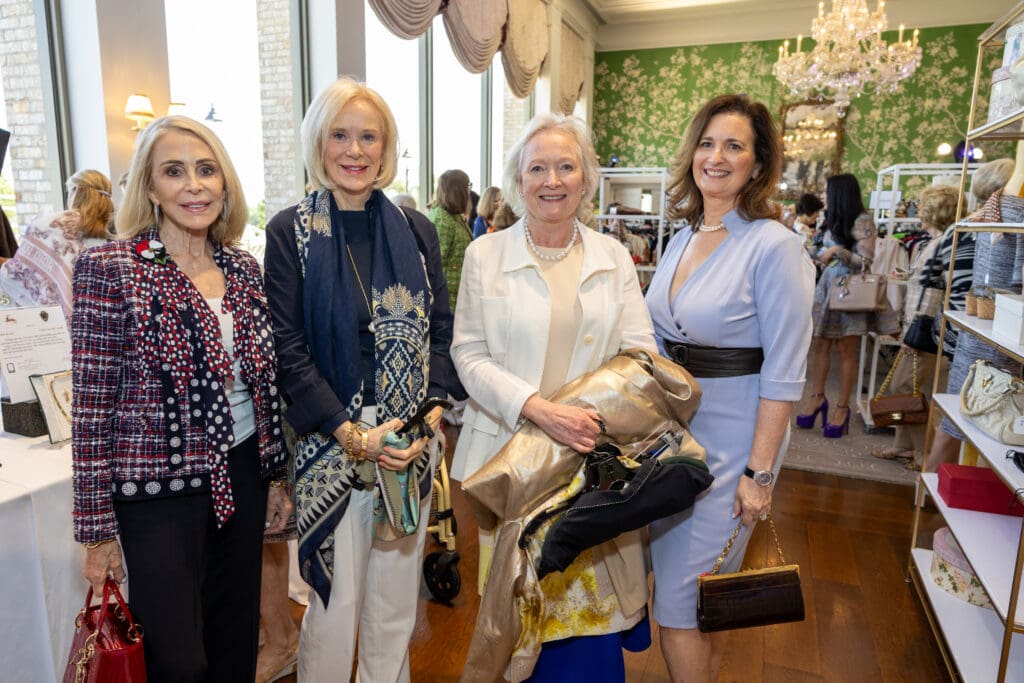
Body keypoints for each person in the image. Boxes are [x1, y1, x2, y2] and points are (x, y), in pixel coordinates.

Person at [71, 116, 291, 682]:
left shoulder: (242, 267)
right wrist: (96, 532)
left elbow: (264, 386)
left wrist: (275, 476)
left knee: (234, 637)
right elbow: (92, 412)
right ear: (149, 187)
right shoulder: (109, 268)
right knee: (176, 657)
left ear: (224, 183)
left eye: (206, 169)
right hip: (156, 492)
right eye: (174, 171)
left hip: (241, 472)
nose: (193, 185)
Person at [263, 76, 464, 682]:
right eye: (339, 135)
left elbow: (442, 329)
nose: (354, 150)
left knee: (395, 603)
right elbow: (287, 349)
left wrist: (431, 415)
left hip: (410, 441)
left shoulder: (415, 228)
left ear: (386, 147)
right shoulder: (289, 231)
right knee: (334, 606)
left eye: (368, 137)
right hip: (333, 442)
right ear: (318, 143)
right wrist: (352, 434)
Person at [450, 111, 656, 681]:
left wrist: (587, 416)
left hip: (590, 457)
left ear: (586, 180)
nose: (552, 180)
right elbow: (467, 354)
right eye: (537, 167)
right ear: (519, 180)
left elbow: (640, 351)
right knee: (517, 616)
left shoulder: (613, 256)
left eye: (567, 166)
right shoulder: (484, 255)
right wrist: (537, 409)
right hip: (509, 459)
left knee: (584, 621)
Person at [644, 93, 814, 682]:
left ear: (759, 164)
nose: (716, 157)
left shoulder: (775, 247)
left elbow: (786, 372)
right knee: (698, 597)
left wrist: (758, 473)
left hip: (736, 437)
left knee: (678, 608)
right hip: (674, 439)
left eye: (734, 146)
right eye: (708, 143)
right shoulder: (684, 235)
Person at [925, 157, 1021, 473]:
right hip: (984, 330)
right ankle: (936, 481)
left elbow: (943, 278)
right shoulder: (997, 221)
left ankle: (932, 481)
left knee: (965, 412)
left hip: (972, 325)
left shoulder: (975, 223)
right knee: (975, 415)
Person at [798, 173, 899, 437]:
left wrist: (837, 252)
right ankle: (816, 398)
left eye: (827, 191)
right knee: (819, 345)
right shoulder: (830, 221)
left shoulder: (863, 221)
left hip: (849, 293)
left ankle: (842, 408)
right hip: (825, 289)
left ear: (839, 194)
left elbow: (866, 262)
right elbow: (821, 253)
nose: (822, 195)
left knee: (846, 349)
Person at [870, 184, 959, 467]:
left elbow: (933, 293)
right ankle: (905, 447)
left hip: (926, 332)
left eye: (923, 207)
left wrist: (914, 334)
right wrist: (908, 274)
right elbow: (929, 282)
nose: (918, 211)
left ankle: (925, 455)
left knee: (907, 388)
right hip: (924, 328)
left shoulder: (943, 243)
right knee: (908, 388)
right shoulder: (934, 242)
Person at [0, 169, 114, 318]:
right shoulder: (118, 229)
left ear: (76, 190)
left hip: (58, 328)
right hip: (104, 322)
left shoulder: (50, 224)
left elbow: (20, 276)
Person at [428, 169, 473, 311]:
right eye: (468, 187)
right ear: (458, 190)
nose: (469, 192)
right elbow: (436, 266)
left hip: (457, 300)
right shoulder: (442, 220)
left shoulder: (453, 216)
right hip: (448, 305)